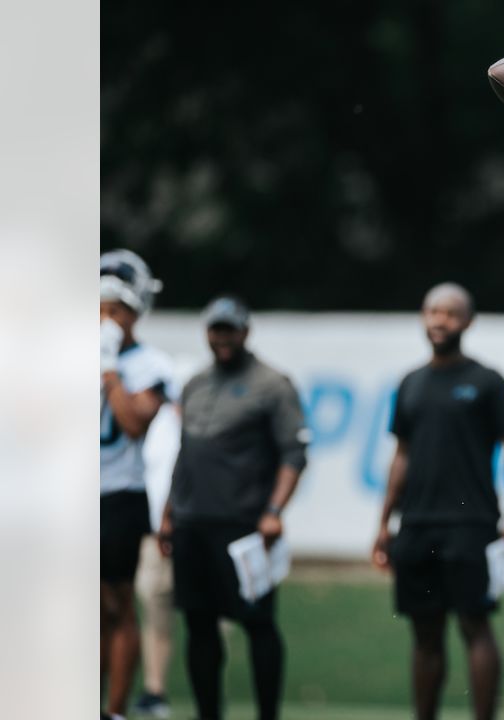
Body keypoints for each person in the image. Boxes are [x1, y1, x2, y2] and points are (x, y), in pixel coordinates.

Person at [371, 283, 504, 720]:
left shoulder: (487, 381)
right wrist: (385, 522)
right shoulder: (411, 383)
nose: (439, 321)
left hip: (470, 523)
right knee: (424, 634)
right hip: (417, 524)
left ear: (468, 321)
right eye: (432, 312)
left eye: (450, 313)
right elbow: (401, 454)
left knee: (474, 625)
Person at [158, 296, 309, 720]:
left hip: (244, 525)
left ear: (245, 331)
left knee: (258, 623)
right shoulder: (195, 383)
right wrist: (170, 511)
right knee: (199, 624)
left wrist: (274, 510)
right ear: (207, 332)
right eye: (215, 329)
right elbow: (186, 453)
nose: (222, 337)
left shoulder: (272, 385)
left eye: (230, 329)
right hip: (193, 522)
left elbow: (293, 455)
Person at [100, 250, 172, 720]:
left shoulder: (148, 364)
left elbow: (131, 423)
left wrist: (108, 370)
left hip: (120, 494)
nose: (105, 319)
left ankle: (116, 709)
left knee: (114, 603)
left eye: (114, 310)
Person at [133, 402, 182, 719]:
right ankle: (154, 689)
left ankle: (209, 694)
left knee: (206, 618)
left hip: (196, 532)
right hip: (155, 533)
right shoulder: (159, 425)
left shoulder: (212, 423)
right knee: (154, 607)